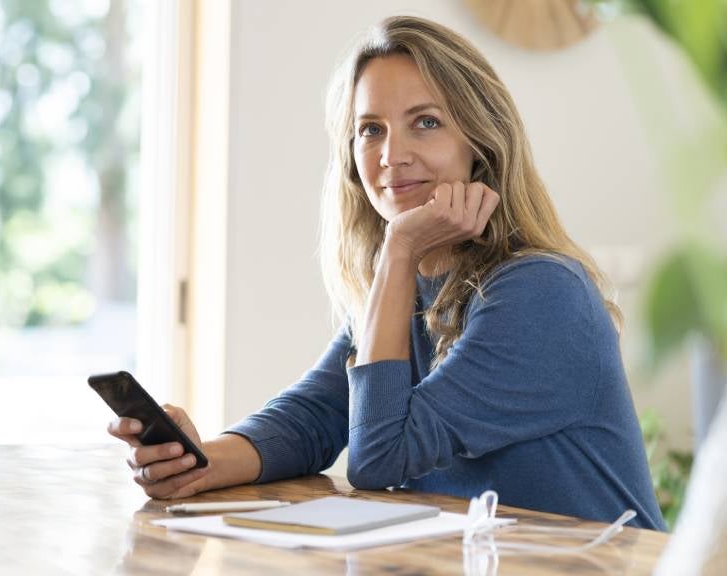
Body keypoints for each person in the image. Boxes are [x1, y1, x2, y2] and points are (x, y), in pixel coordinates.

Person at [108, 15, 666, 531]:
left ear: (480, 142)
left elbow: (380, 455)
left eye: (425, 122)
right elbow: (314, 417)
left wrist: (397, 250)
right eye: (370, 129)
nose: (390, 155)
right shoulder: (406, 293)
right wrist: (198, 461)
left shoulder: (541, 292)